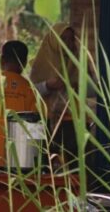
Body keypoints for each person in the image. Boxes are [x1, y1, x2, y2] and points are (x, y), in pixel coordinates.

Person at [29, 23, 82, 165]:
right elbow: (30, 91)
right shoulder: (40, 63)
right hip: (44, 120)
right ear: (53, 40)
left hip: (70, 121)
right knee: (45, 164)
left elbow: (94, 90)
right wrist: (48, 85)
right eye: (63, 39)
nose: (68, 43)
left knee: (72, 166)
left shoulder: (79, 62)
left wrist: (75, 84)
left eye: (71, 39)